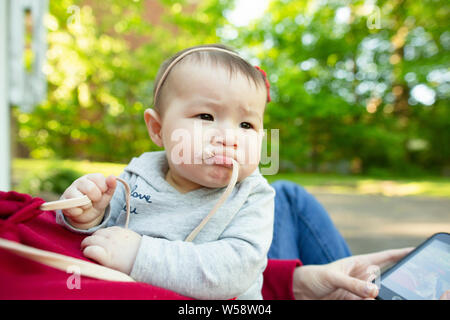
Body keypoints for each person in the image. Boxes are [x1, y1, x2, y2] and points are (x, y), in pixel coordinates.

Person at [57, 44, 276, 300]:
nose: (230, 137)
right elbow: (100, 239)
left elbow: (234, 271)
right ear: (158, 129)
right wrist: (88, 218)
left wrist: (140, 256)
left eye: (246, 124)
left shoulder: (252, 195)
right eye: (206, 116)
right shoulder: (137, 177)